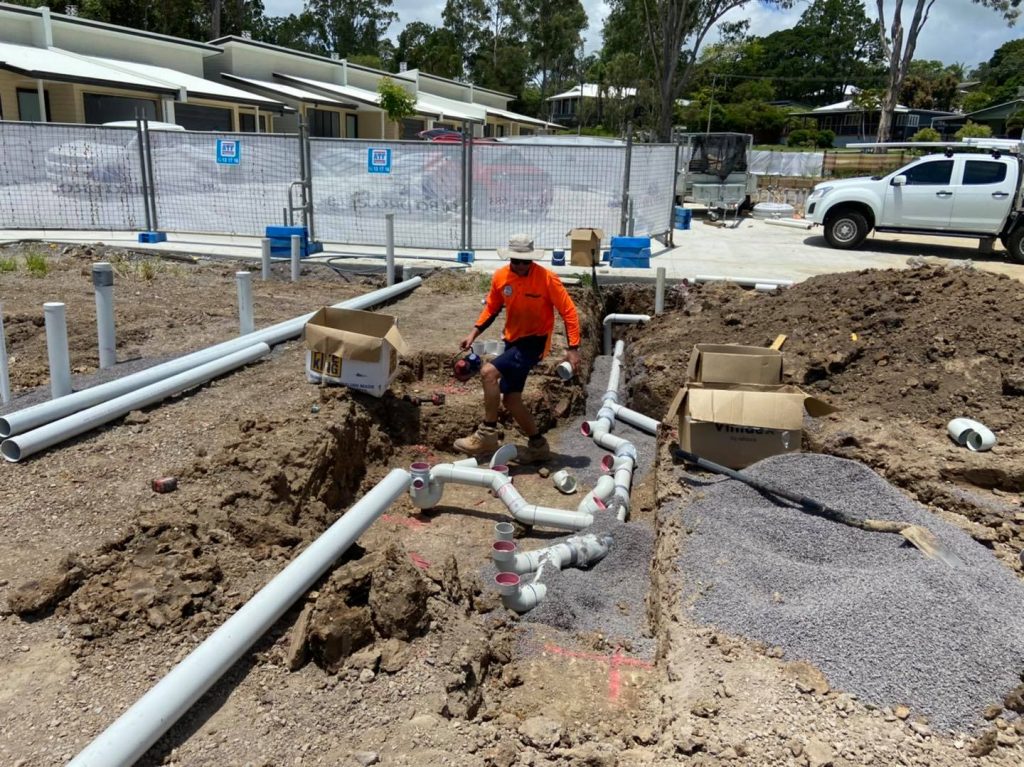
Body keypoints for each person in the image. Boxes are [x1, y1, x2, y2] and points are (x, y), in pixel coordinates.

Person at [454, 233, 581, 462]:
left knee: (488, 372)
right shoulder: (501, 277)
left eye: (526, 261)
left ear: (532, 260)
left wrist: (573, 347)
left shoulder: (546, 279)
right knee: (511, 400)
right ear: (510, 259)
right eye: (516, 261)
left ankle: (487, 434)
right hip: (513, 341)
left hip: (535, 343)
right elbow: (492, 308)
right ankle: (538, 445)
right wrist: (474, 332)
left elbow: (569, 312)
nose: (521, 265)